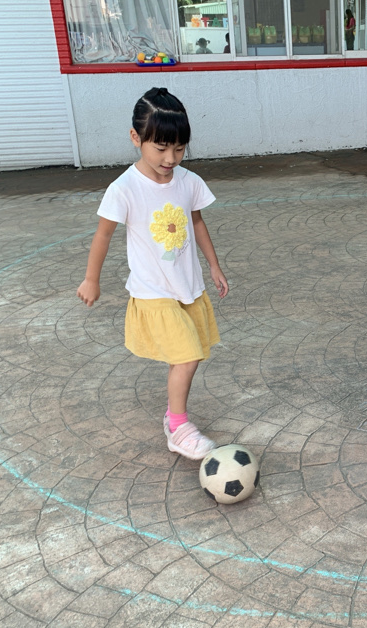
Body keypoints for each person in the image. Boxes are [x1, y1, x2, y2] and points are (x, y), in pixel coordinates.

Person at [76, 87, 228, 460]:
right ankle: (177, 426)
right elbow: (103, 235)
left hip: (187, 287)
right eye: (160, 148)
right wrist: (91, 279)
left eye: (179, 149)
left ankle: (173, 416)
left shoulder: (188, 182)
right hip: (153, 291)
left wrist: (213, 264)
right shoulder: (124, 189)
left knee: (190, 355)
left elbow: (197, 223)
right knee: (187, 355)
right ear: (136, 138)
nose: (170, 158)